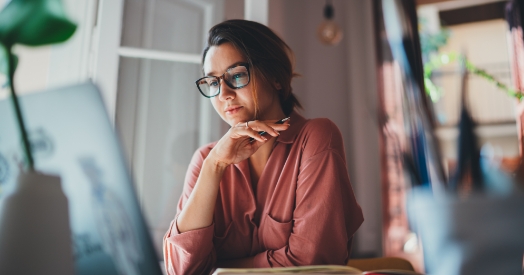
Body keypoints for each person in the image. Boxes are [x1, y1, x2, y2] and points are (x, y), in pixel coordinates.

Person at [163, 19, 364, 275]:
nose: (223, 93)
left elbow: (312, 264)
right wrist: (214, 167)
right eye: (213, 83)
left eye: (236, 75)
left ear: (276, 78)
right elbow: (180, 270)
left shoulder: (315, 138)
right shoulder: (206, 159)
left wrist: (215, 269)